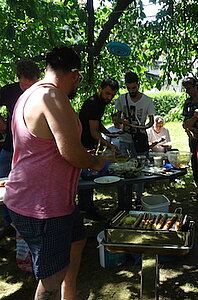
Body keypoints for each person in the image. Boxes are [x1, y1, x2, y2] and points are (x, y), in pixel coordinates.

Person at [3, 46, 107, 300]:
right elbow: (70, 152)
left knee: (77, 242)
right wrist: (97, 164)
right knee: (51, 277)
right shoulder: (52, 97)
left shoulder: (29, 94)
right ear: (75, 74)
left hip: (55, 201)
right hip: (43, 204)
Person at [0, 59, 40, 238]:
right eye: (24, 83)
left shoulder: (41, 93)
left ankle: (27, 220)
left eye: (31, 83)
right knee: (4, 188)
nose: (27, 87)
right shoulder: (9, 90)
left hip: (31, 151)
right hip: (9, 148)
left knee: (28, 187)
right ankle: (9, 222)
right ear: (19, 78)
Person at [78, 77, 119, 220]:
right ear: (100, 89)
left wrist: (108, 133)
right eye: (107, 93)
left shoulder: (99, 102)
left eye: (112, 95)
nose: (109, 97)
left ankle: (84, 207)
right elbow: (94, 132)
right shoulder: (94, 104)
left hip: (88, 142)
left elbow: (96, 123)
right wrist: (111, 145)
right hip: (84, 144)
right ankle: (88, 209)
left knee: (86, 178)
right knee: (87, 178)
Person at [115, 71, 155, 157]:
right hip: (124, 139)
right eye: (128, 88)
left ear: (138, 85)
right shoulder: (121, 99)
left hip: (140, 139)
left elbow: (151, 122)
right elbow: (117, 118)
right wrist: (122, 121)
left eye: (133, 88)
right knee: (124, 165)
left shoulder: (147, 101)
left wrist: (139, 127)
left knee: (141, 163)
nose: (131, 91)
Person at [182, 77, 198, 199]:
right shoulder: (188, 102)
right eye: (185, 89)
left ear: (196, 86)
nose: (187, 91)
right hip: (192, 138)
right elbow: (185, 122)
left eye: (189, 88)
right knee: (195, 165)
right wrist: (190, 131)